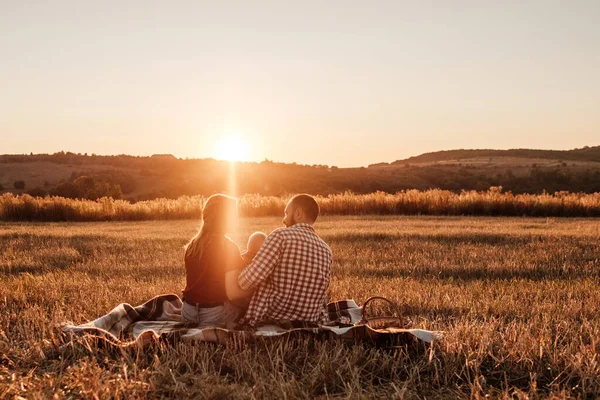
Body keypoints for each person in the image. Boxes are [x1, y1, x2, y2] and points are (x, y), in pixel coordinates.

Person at [226, 194, 333, 326]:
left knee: (229, 293)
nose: (284, 219)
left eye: (286, 213)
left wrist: (241, 265)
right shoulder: (326, 250)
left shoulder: (280, 236)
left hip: (271, 316)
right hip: (308, 319)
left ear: (298, 214)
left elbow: (246, 282)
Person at [181, 194, 246, 326]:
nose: (237, 220)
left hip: (187, 313)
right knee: (248, 307)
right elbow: (233, 294)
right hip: (213, 314)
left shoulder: (192, 246)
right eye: (234, 215)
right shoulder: (228, 246)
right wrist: (252, 292)